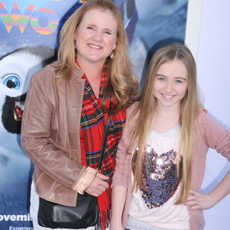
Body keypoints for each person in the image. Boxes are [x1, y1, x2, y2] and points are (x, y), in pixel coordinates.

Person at [21, 0, 139, 230]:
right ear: (75, 33)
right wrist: (82, 178)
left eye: (107, 32)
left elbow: (145, 126)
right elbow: (33, 141)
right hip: (63, 204)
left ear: (115, 43)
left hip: (113, 203)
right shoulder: (47, 80)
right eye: (90, 28)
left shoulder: (124, 87)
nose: (97, 38)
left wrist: (188, 110)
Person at [110, 43, 230, 230]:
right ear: (151, 79)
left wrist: (211, 199)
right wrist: (116, 222)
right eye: (162, 78)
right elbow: (122, 172)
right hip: (133, 224)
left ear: (189, 83)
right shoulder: (134, 115)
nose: (168, 88)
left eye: (178, 81)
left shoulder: (199, 122)